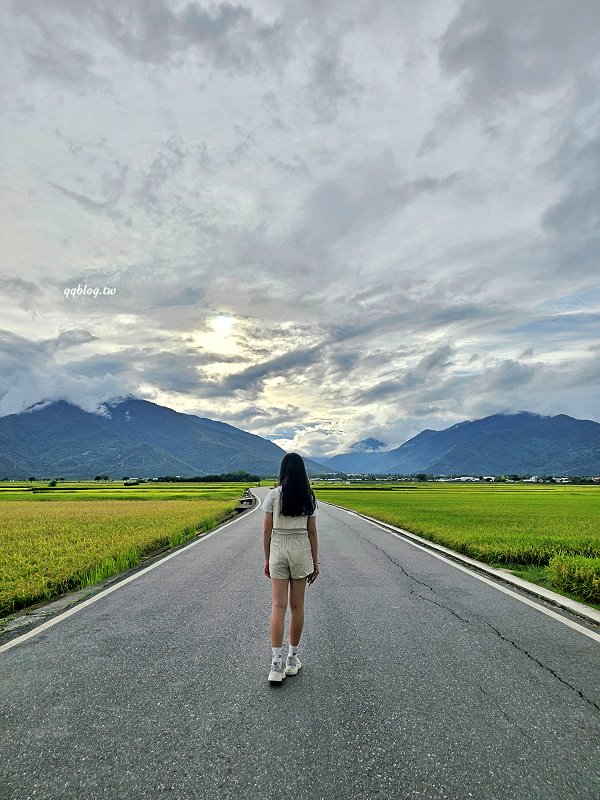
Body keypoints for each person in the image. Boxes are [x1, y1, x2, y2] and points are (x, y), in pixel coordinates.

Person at [262, 452, 319, 684]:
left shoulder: (273, 495)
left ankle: (275, 665)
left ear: (283, 471)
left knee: (278, 605)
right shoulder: (309, 496)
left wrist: (267, 559)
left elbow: (266, 531)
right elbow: (313, 532)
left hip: (278, 546)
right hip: (300, 548)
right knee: (297, 606)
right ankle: (292, 659)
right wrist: (315, 562)